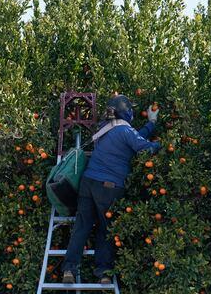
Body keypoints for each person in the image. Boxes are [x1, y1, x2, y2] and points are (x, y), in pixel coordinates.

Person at [61, 94, 161, 284]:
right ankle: (104, 273)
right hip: (108, 187)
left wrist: (151, 123)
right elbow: (143, 146)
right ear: (127, 112)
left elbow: (133, 137)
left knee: (81, 227)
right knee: (106, 229)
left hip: (88, 182)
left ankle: (69, 270)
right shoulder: (125, 131)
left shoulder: (105, 129)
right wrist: (162, 144)